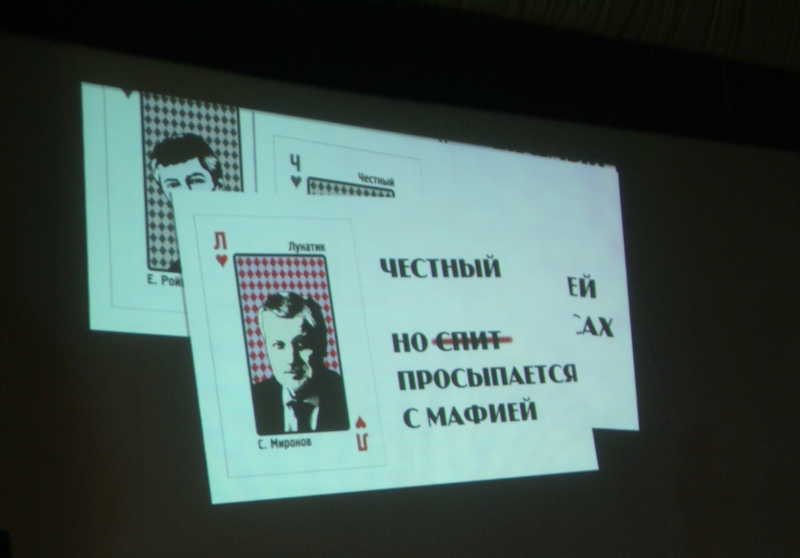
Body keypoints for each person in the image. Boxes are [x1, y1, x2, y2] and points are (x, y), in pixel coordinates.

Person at [251, 291, 349, 435]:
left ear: (322, 345)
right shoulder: (255, 400)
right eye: (279, 345)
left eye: (302, 344)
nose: (291, 359)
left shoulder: (347, 394)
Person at [148, 133, 224, 272]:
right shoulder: (176, 270)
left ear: (217, 186)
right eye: (173, 185)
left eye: (196, 181)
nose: (185, 192)